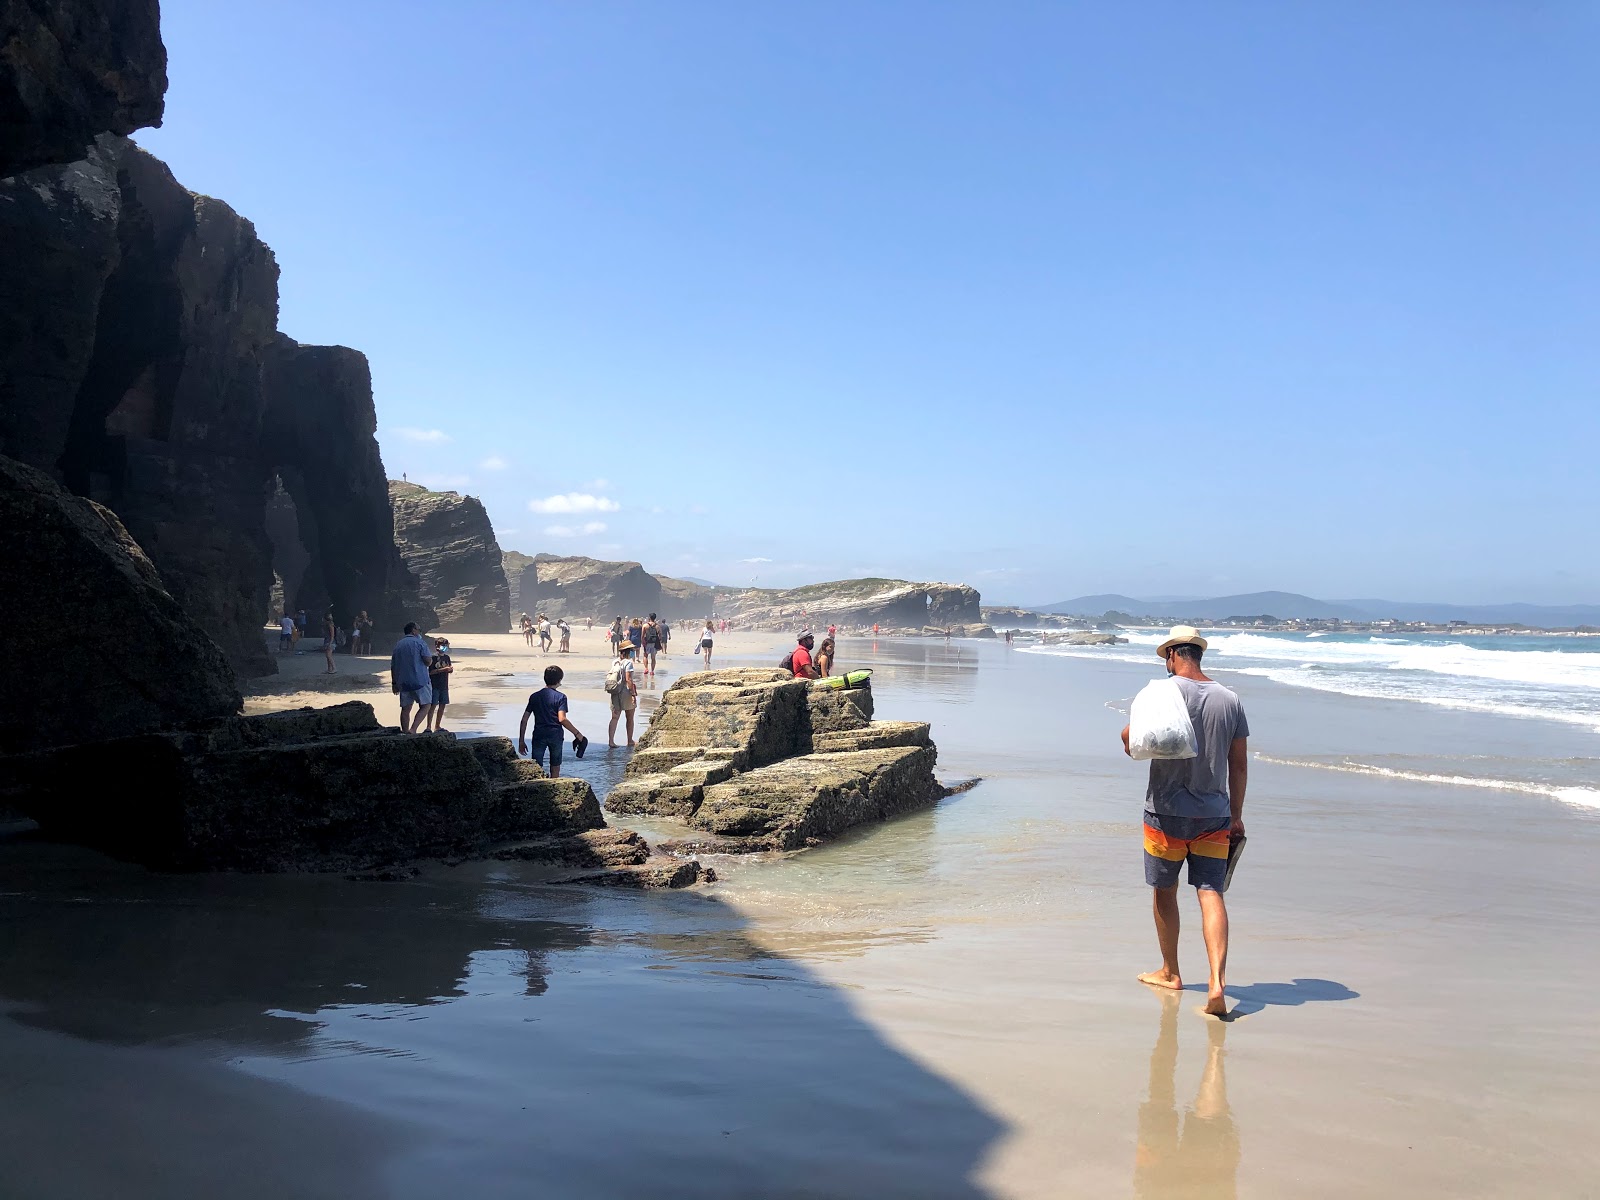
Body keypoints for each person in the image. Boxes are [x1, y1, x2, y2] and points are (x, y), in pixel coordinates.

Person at [1120, 626, 1249, 1018]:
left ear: (1173, 655)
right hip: (1214, 814)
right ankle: (1216, 983)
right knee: (1211, 892)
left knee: (1164, 891)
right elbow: (1238, 764)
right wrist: (1237, 816)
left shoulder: (1162, 693)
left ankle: (1171, 972)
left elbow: (1131, 742)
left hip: (1165, 812)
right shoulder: (1230, 699)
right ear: (1199, 654)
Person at [518, 664, 587, 776]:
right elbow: (562, 719)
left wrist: (521, 741)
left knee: (536, 768)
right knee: (555, 768)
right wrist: (578, 734)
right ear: (559, 680)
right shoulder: (561, 697)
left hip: (539, 734)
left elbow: (524, 720)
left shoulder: (534, 696)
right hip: (555, 735)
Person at [390, 622, 434, 733]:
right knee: (426, 705)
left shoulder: (398, 645)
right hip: (420, 680)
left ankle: (405, 731)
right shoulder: (420, 643)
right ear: (413, 630)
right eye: (419, 630)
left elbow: (393, 666)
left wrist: (394, 683)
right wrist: (430, 661)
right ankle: (413, 729)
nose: (420, 632)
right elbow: (428, 661)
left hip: (403, 681)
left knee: (405, 708)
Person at [607, 642, 638, 747]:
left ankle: (611, 741)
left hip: (615, 691)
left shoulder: (615, 662)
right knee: (630, 717)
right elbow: (628, 679)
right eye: (631, 650)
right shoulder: (628, 663)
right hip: (625, 692)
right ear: (627, 651)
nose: (633, 652)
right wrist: (633, 694)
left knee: (614, 717)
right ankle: (630, 740)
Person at [425, 636, 453, 731]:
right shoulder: (433, 658)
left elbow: (449, 668)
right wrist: (442, 670)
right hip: (434, 685)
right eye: (443, 645)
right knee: (432, 706)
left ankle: (437, 726)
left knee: (442, 705)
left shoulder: (447, 657)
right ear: (437, 646)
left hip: (444, 685)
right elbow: (430, 672)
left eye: (446, 645)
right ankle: (428, 726)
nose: (445, 647)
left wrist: (449, 670)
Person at [642, 613, 661, 677]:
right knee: (653, 658)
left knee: (645, 655)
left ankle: (646, 668)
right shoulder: (657, 626)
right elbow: (660, 636)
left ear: (649, 617)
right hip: (654, 643)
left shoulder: (645, 626)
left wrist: (643, 642)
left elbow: (642, 635)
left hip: (647, 642)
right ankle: (652, 671)